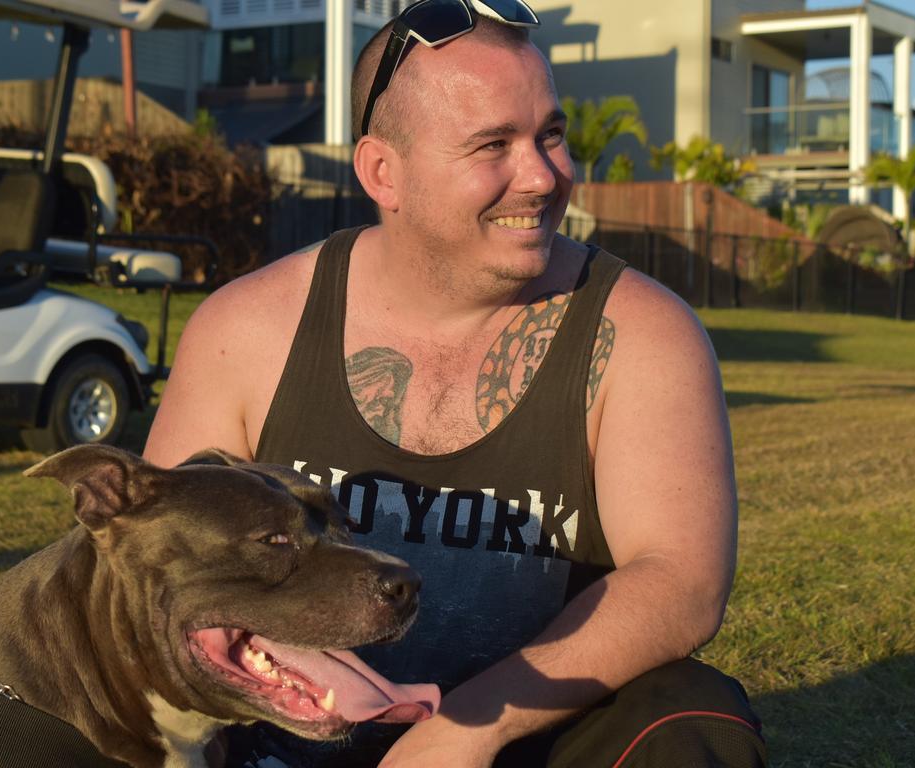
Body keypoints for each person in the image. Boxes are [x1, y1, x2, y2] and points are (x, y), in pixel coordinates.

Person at [143, 2, 767, 766]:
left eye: (551, 134)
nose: (543, 175)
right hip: (288, 734)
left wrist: (469, 728)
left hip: (527, 737)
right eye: (492, 145)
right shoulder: (246, 331)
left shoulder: (642, 334)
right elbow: (153, 576)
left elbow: (681, 579)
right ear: (383, 172)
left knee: (688, 715)